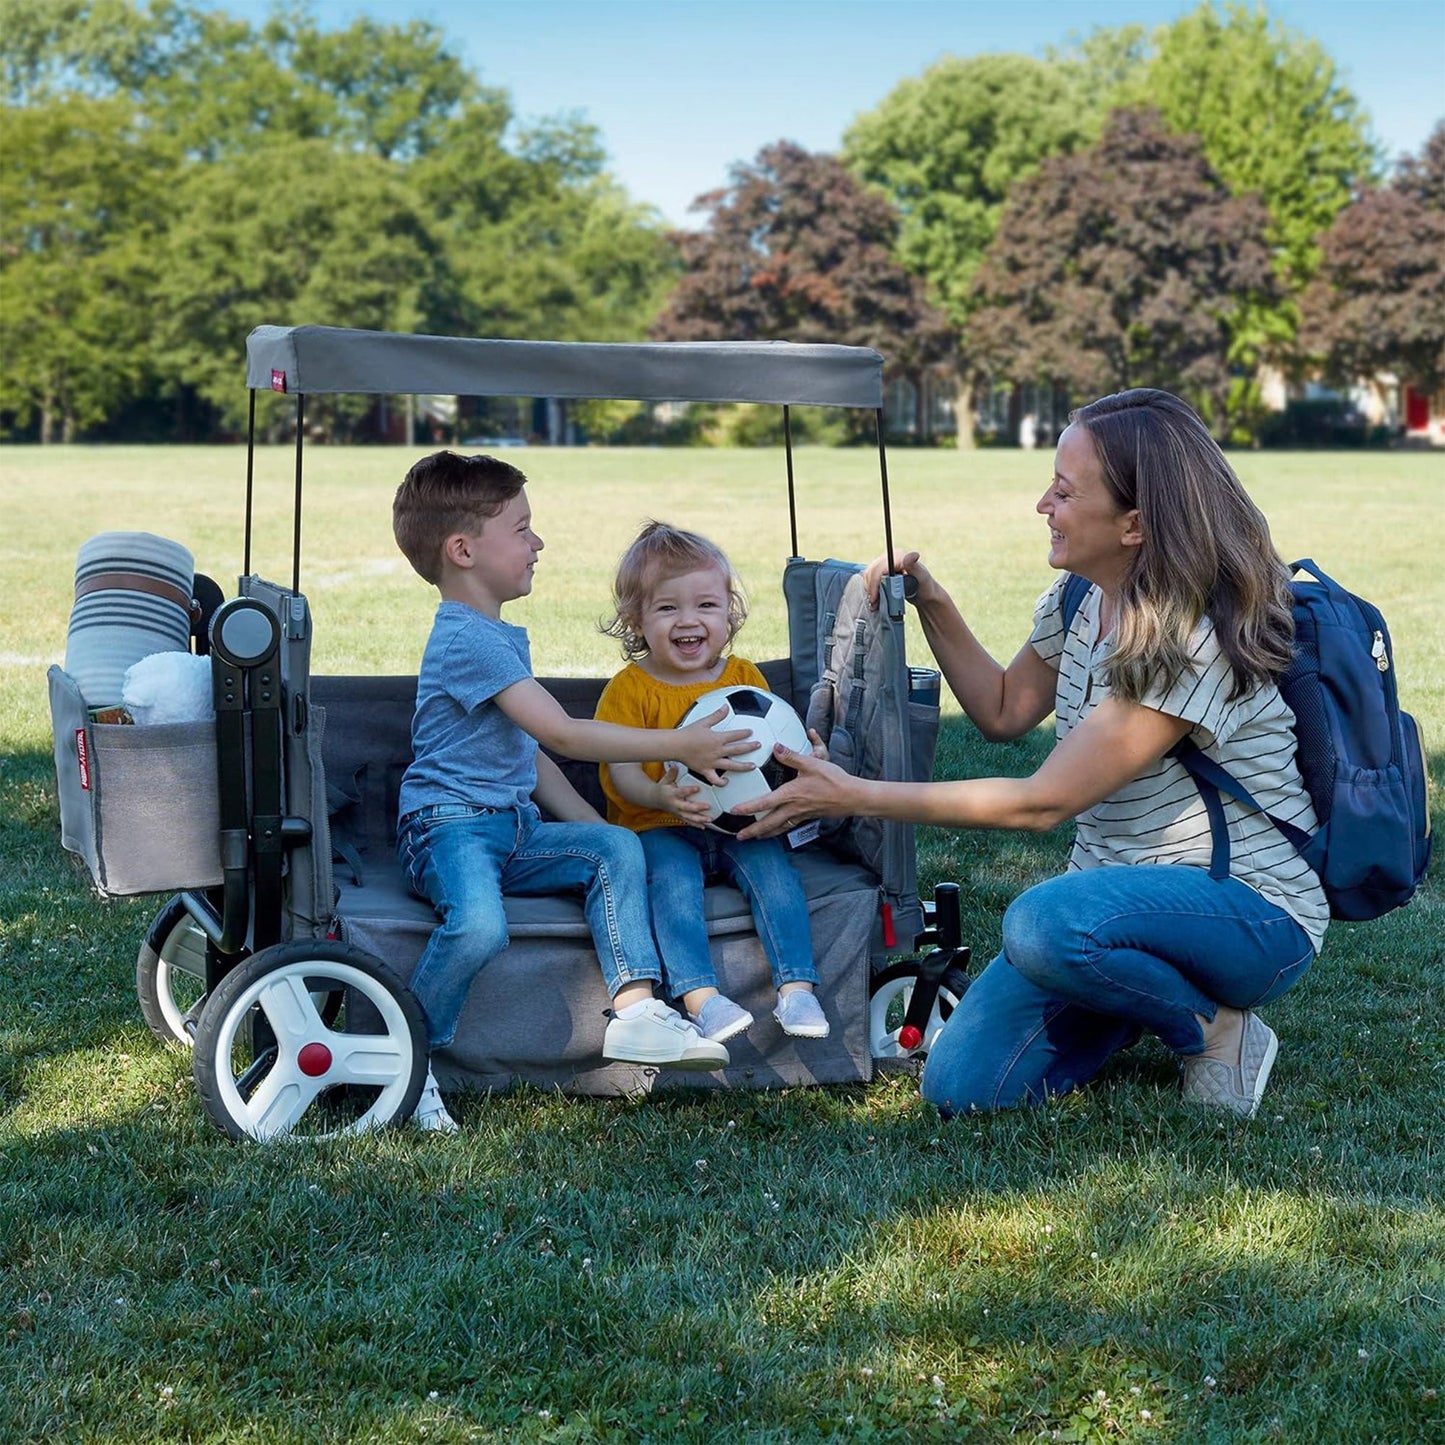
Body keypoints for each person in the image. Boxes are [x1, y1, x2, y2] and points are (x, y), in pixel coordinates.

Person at [736, 389, 1328, 1119]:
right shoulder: (1080, 598)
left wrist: (848, 791)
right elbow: (1005, 708)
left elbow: (1041, 801)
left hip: (1249, 909)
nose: (1041, 503)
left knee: (1041, 925)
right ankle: (1131, 988)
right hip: (1108, 901)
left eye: (1064, 489)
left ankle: (1215, 1029)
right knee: (964, 1086)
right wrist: (931, 600)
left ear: (1134, 523)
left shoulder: (1190, 639)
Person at [392, 454, 758, 1132]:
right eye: (523, 528)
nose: (538, 543)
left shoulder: (494, 633)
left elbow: (525, 751)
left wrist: (600, 833)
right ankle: (407, 1055)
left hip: (511, 825)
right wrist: (680, 744)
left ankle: (636, 1011)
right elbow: (562, 732)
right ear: (463, 549)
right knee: (477, 925)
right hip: (447, 827)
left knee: (611, 846)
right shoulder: (468, 639)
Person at [594, 522, 830, 1044]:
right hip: (660, 826)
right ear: (636, 619)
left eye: (705, 605)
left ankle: (797, 988)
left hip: (740, 824)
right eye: (667, 608)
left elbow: (773, 750)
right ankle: (702, 999)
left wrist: (803, 760)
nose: (689, 621)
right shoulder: (629, 690)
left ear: (729, 613)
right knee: (671, 887)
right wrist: (659, 794)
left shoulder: (744, 679)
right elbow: (619, 770)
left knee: (776, 874)